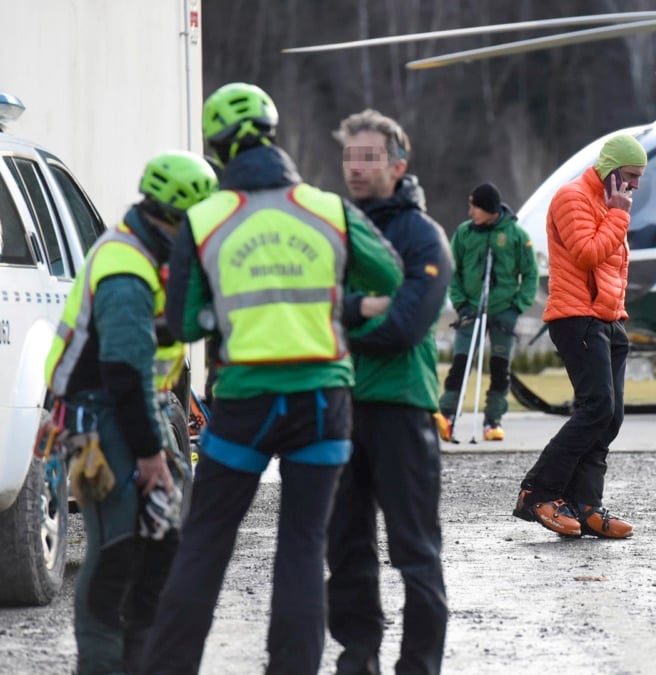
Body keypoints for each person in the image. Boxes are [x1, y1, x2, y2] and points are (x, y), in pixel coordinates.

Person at [142, 82, 403, 675]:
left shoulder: (205, 220)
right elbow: (392, 274)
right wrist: (341, 305)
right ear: (274, 134)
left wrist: (216, 313)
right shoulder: (328, 208)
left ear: (218, 148)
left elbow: (180, 322)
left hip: (244, 401)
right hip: (321, 402)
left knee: (205, 542)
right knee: (304, 548)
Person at [43, 151, 215, 675]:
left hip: (138, 406)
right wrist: (149, 455)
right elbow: (122, 371)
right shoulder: (125, 266)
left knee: (160, 544)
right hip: (101, 416)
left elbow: (162, 342)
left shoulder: (155, 252)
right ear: (178, 217)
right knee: (117, 549)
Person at [325, 108, 452, 675]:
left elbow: (404, 327)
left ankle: (419, 667)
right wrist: (357, 309)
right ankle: (358, 659)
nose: (356, 167)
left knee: (416, 552)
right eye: (350, 156)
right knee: (346, 552)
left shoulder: (424, 237)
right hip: (340, 408)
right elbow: (308, 310)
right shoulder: (330, 228)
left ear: (399, 166)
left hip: (402, 412)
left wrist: (339, 318)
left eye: (369, 157)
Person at [512, 133, 646, 539]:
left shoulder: (608, 203)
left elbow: (612, 265)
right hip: (577, 317)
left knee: (610, 415)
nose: (634, 186)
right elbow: (588, 253)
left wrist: (617, 315)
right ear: (609, 171)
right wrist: (619, 215)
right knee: (596, 407)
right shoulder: (572, 198)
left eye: (638, 178)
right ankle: (539, 492)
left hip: (608, 318)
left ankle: (586, 504)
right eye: (629, 176)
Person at [437, 182, 538, 442]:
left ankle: (492, 421)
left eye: (475, 207)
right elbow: (453, 272)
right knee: (460, 364)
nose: (470, 212)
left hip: (504, 310)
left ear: (490, 210)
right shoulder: (464, 233)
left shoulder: (516, 235)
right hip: (470, 309)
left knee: (499, 368)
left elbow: (530, 274)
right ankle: (446, 415)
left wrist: (517, 306)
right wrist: (460, 305)